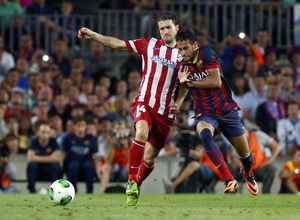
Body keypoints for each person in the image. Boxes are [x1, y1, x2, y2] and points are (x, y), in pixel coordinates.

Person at [78, 11, 186, 206]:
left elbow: (185, 85)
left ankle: (137, 182)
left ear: (177, 28)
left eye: (168, 27)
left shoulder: (183, 54)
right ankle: (131, 181)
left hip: (165, 112)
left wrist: (178, 103)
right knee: (141, 133)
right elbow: (117, 43)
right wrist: (94, 35)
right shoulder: (150, 44)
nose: (165, 31)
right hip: (144, 102)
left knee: (151, 158)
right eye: (162, 28)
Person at [172, 29, 259, 195]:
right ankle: (229, 179)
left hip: (227, 111)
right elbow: (184, 85)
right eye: (180, 49)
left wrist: (190, 83)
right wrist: (178, 103)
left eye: (185, 48)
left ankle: (247, 173)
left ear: (195, 45)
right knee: (205, 136)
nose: (182, 53)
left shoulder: (207, 54)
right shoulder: (182, 63)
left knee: (246, 156)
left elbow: (215, 81)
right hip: (205, 113)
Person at [229, 126, 280, 194]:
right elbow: (234, 161)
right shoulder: (234, 140)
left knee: (271, 168)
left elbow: (276, 146)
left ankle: (266, 193)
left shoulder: (258, 135)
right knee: (231, 167)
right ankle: (232, 193)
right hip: (243, 170)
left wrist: (269, 161)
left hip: (259, 168)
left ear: (247, 130)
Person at [62, 116, 98, 193]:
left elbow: (93, 155)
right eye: (78, 125)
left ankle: (89, 191)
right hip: (73, 162)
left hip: (86, 162)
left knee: (89, 166)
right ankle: (73, 191)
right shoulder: (68, 138)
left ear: (86, 126)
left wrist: (96, 171)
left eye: (82, 125)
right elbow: (64, 154)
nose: (80, 127)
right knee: (73, 166)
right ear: (74, 126)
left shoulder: (91, 138)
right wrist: (62, 169)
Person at [27, 121, 61, 193]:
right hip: (38, 170)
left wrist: (37, 157)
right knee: (32, 165)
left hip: (49, 170)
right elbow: (30, 158)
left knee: (55, 165)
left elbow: (58, 158)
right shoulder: (34, 141)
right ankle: (31, 190)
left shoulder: (53, 141)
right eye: (43, 132)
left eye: (47, 132)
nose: (45, 135)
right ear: (38, 132)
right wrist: (50, 158)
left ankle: (55, 190)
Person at [99, 118, 130, 194]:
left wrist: (126, 147)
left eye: (122, 129)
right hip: (111, 168)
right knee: (107, 167)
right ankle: (102, 193)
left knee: (132, 167)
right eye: (117, 129)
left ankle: (132, 192)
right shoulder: (107, 140)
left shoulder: (130, 140)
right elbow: (108, 161)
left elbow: (130, 161)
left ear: (125, 130)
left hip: (123, 169)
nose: (119, 131)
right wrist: (112, 146)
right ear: (112, 130)